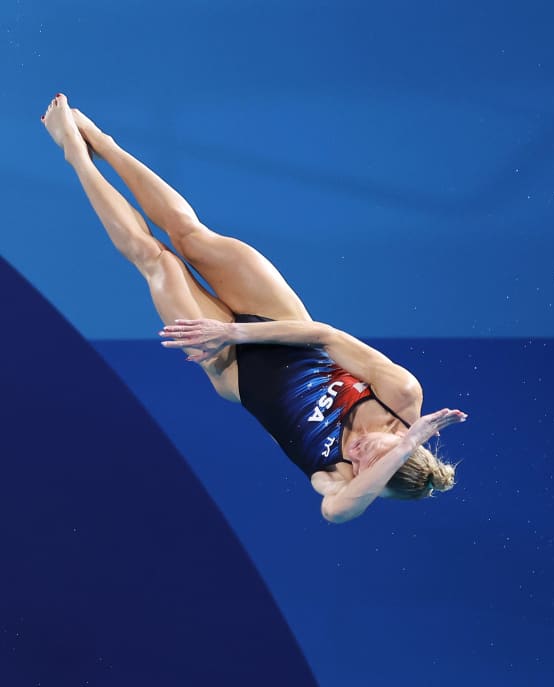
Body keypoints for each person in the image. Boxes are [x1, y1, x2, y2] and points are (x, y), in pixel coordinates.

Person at [42, 93, 466, 523]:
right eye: (373, 455)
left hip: (232, 368)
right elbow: (326, 335)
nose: (356, 457)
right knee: (191, 236)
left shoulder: (336, 477)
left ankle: (75, 153)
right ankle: (101, 141)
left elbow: (339, 511)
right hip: (281, 324)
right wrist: (236, 331)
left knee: (155, 259)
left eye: (363, 471)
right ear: (403, 435)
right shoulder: (402, 396)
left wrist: (402, 451)